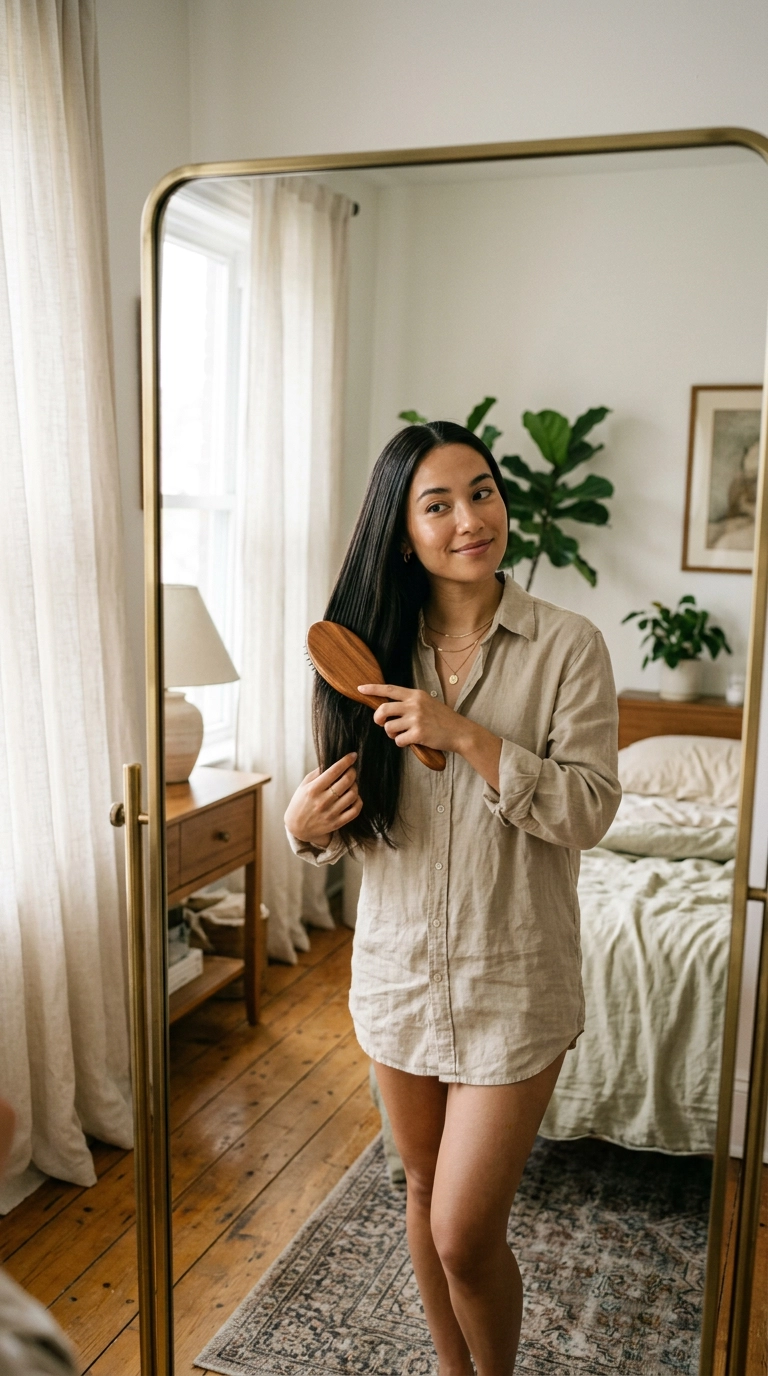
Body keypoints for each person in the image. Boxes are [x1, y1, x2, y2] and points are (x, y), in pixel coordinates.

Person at [284, 421, 620, 1375]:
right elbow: (344, 820)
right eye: (437, 504)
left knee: (466, 1232)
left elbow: (589, 811)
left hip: (515, 979)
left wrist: (468, 736)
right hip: (398, 974)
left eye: (482, 492)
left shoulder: (568, 646)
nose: (471, 519)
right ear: (402, 533)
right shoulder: (363, 653)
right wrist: (302, 827)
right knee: (424, 1193)